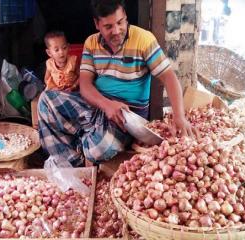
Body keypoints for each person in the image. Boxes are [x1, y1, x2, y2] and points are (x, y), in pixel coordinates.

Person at [37, 0, 193, 166]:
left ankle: (81, 146)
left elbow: (169, 77)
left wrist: (179, 116)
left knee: (97, 149)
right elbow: (85, 85)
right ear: (97, 24)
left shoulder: (144, 40)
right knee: (46, 100)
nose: (117, 31)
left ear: (125, 16)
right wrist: (106, 105)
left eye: (120, 22)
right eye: (108, 26)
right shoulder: (91, 43)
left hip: (126, 119)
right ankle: (72, 163)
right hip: (98, 107)